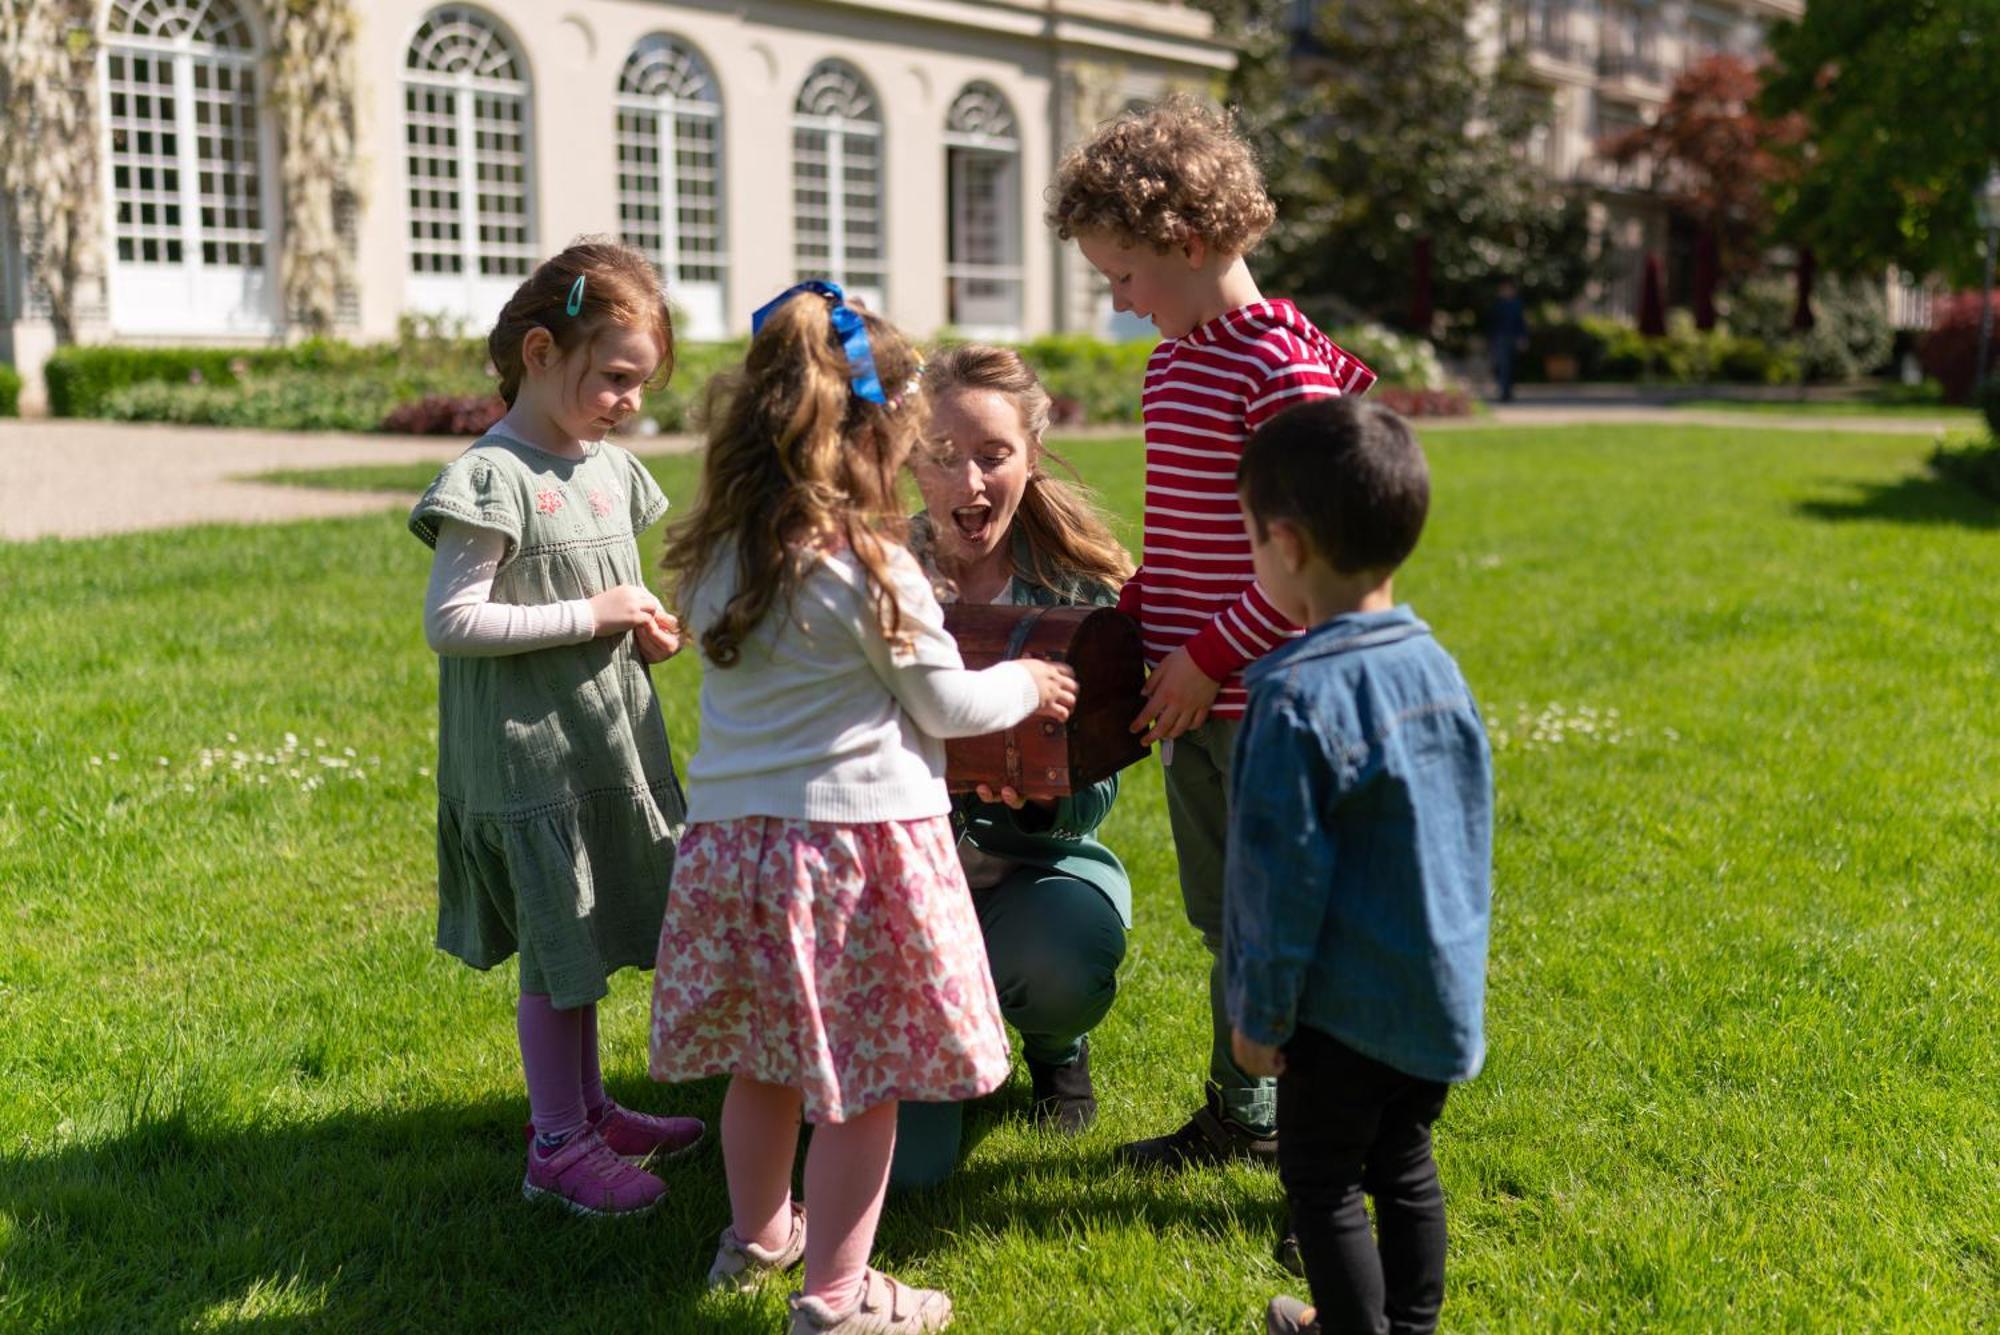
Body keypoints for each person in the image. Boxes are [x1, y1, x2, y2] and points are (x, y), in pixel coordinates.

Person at [647, 283, 1078, 1334]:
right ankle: (837, 1304)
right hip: (856, 853)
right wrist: (1028, 686)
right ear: (872, 435)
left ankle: (753, 1240)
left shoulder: (720, 554)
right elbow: (947, 702)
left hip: (735, 850)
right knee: (862, 1085)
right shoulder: (872, 567)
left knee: (764, 1064)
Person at [1046, 95, 1377, 1170]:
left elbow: (1310, 558)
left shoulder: (1278, 369)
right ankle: (1244, 1121)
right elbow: (1184, 543)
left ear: (1185, 244)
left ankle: (1325, 1155)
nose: (1118, 301)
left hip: (1269, 705)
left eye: (1123, 277)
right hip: (1193, 702)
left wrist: (1202, 659)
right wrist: (1128, 625)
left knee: (1293, 933)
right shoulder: (1175, 365)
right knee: (1232, 929)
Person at [408, 238, 705, 1219]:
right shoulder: (492, 477)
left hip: (602, 748)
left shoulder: (612, 470)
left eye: (641, 384)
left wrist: (645, 631)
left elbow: (608, 594)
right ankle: (555, 1145)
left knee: (583, 937)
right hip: (528, 766)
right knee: (555, 950)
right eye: (615, 378)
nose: (630, 401)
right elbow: (451, 622)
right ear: (539, 353)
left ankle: (589, 1109)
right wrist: (598, 616)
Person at [1225, 398, 1493, 1335]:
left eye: (1252, 536)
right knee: (1405, 1161)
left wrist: (1258, 1019)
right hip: (1433, 994)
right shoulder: (1438, 667)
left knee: (1323, 1178)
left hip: (1338, 1016)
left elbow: (1278, 883)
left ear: (1288, 545)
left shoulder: (1294, 698)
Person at [890, 344, 1136, 1188]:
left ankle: (1054, 1043)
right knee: (912, 1171)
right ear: (908, 460)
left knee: (1059, 961)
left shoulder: (1078, 591)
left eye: (994, 456)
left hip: (1035, 866)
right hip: (898, 883)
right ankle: (920, 1044)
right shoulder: (881, 574)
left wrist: (1037, 805)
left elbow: (1099, 776)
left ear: (1032, 454)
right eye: (942, 457)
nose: (970, 485)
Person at [1487, 280, 1528, 403]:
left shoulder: (1517, 305)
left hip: (1513, 338)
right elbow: (1491, 324)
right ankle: (1504, 391)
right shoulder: (1497, 305)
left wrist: (1522, 338)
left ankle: (1508, 390)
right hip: (1500, 338)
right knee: (1502, 365)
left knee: (1511, 366)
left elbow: (1521, 323)